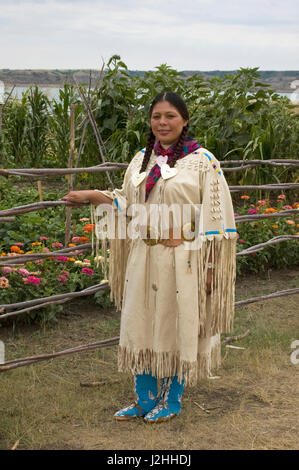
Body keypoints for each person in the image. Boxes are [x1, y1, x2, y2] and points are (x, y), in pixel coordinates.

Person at [62, 92, 238, 424]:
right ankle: (144, 399)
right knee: (141, 321)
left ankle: (172, 398)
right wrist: (91, 195)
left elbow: (218, 219)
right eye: (157, 116)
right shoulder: (143, 159)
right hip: (144, 257)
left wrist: (211, 268)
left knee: (177, 322)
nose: (162, 122)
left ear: (184, 120)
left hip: (185, 258)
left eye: (170, 116)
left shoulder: (203, 162)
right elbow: (128, 204)